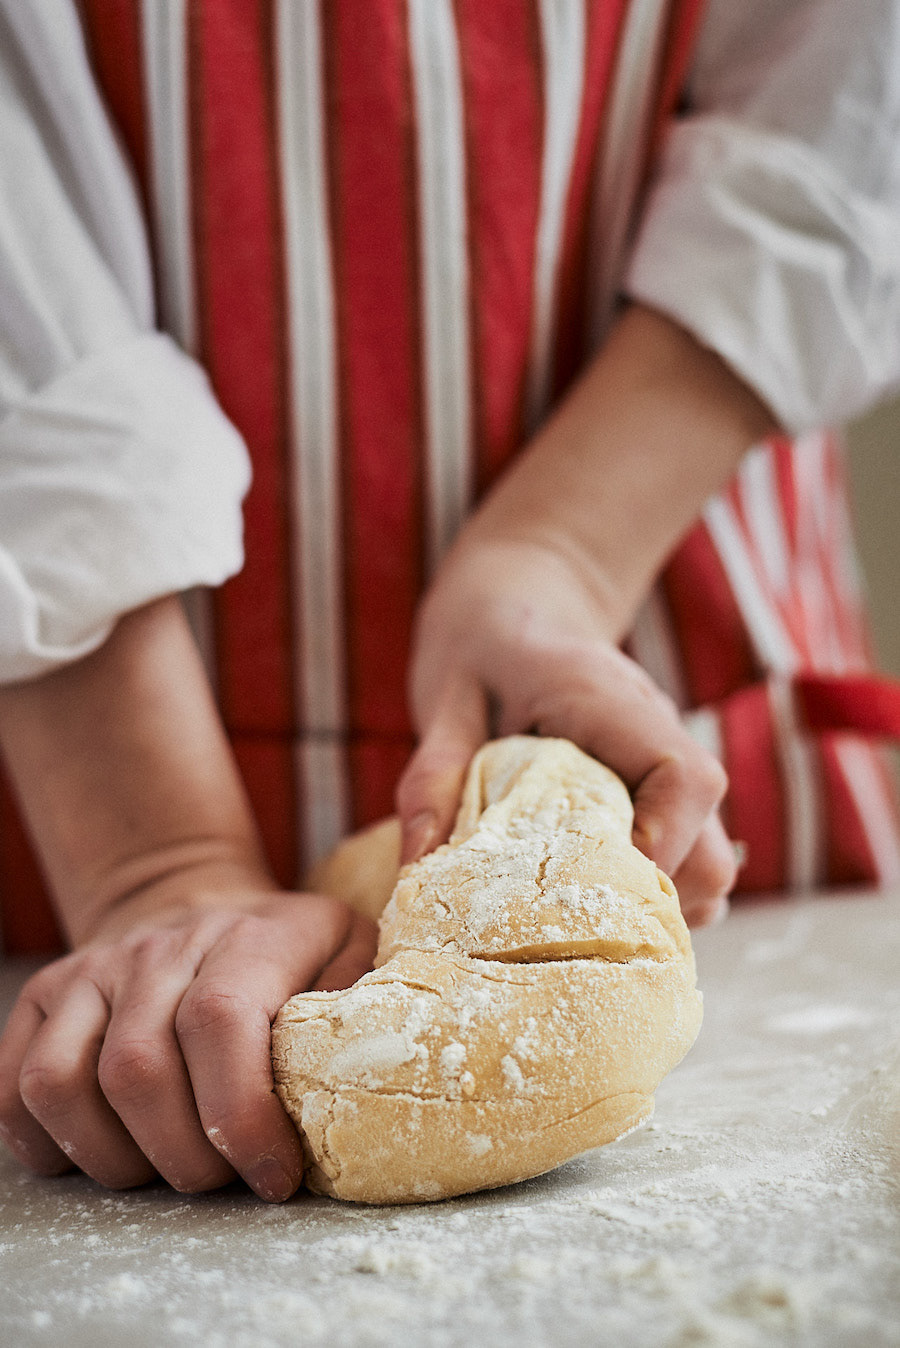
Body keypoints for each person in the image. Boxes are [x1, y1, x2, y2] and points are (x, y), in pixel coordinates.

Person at [0, 0, 898, 1203]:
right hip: (80, 777)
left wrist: (564, 555)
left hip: (665, 678)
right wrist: (156, 865)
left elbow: (853, 104)